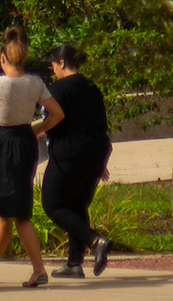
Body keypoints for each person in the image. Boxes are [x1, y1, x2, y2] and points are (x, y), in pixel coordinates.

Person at [0, 27, 65, 287]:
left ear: (3, 58)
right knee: (11, 210)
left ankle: (35, 269)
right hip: (25, 143)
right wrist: (37, 129)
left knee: (13, 211)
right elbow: (57, 114)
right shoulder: (36, 83)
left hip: (4, 144)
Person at [40, 44, 112, 278]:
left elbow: (54, 120)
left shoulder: (59, 89)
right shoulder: (93, 87)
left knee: (53, 204)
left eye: (53, 66)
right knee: (77, 205)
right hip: (97, 152)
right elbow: (100, 124)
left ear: (62, 63)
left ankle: (95, 241)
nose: (53, 72)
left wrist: (37, 130)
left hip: (69, 153)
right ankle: (74, 263)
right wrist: (99, 161)